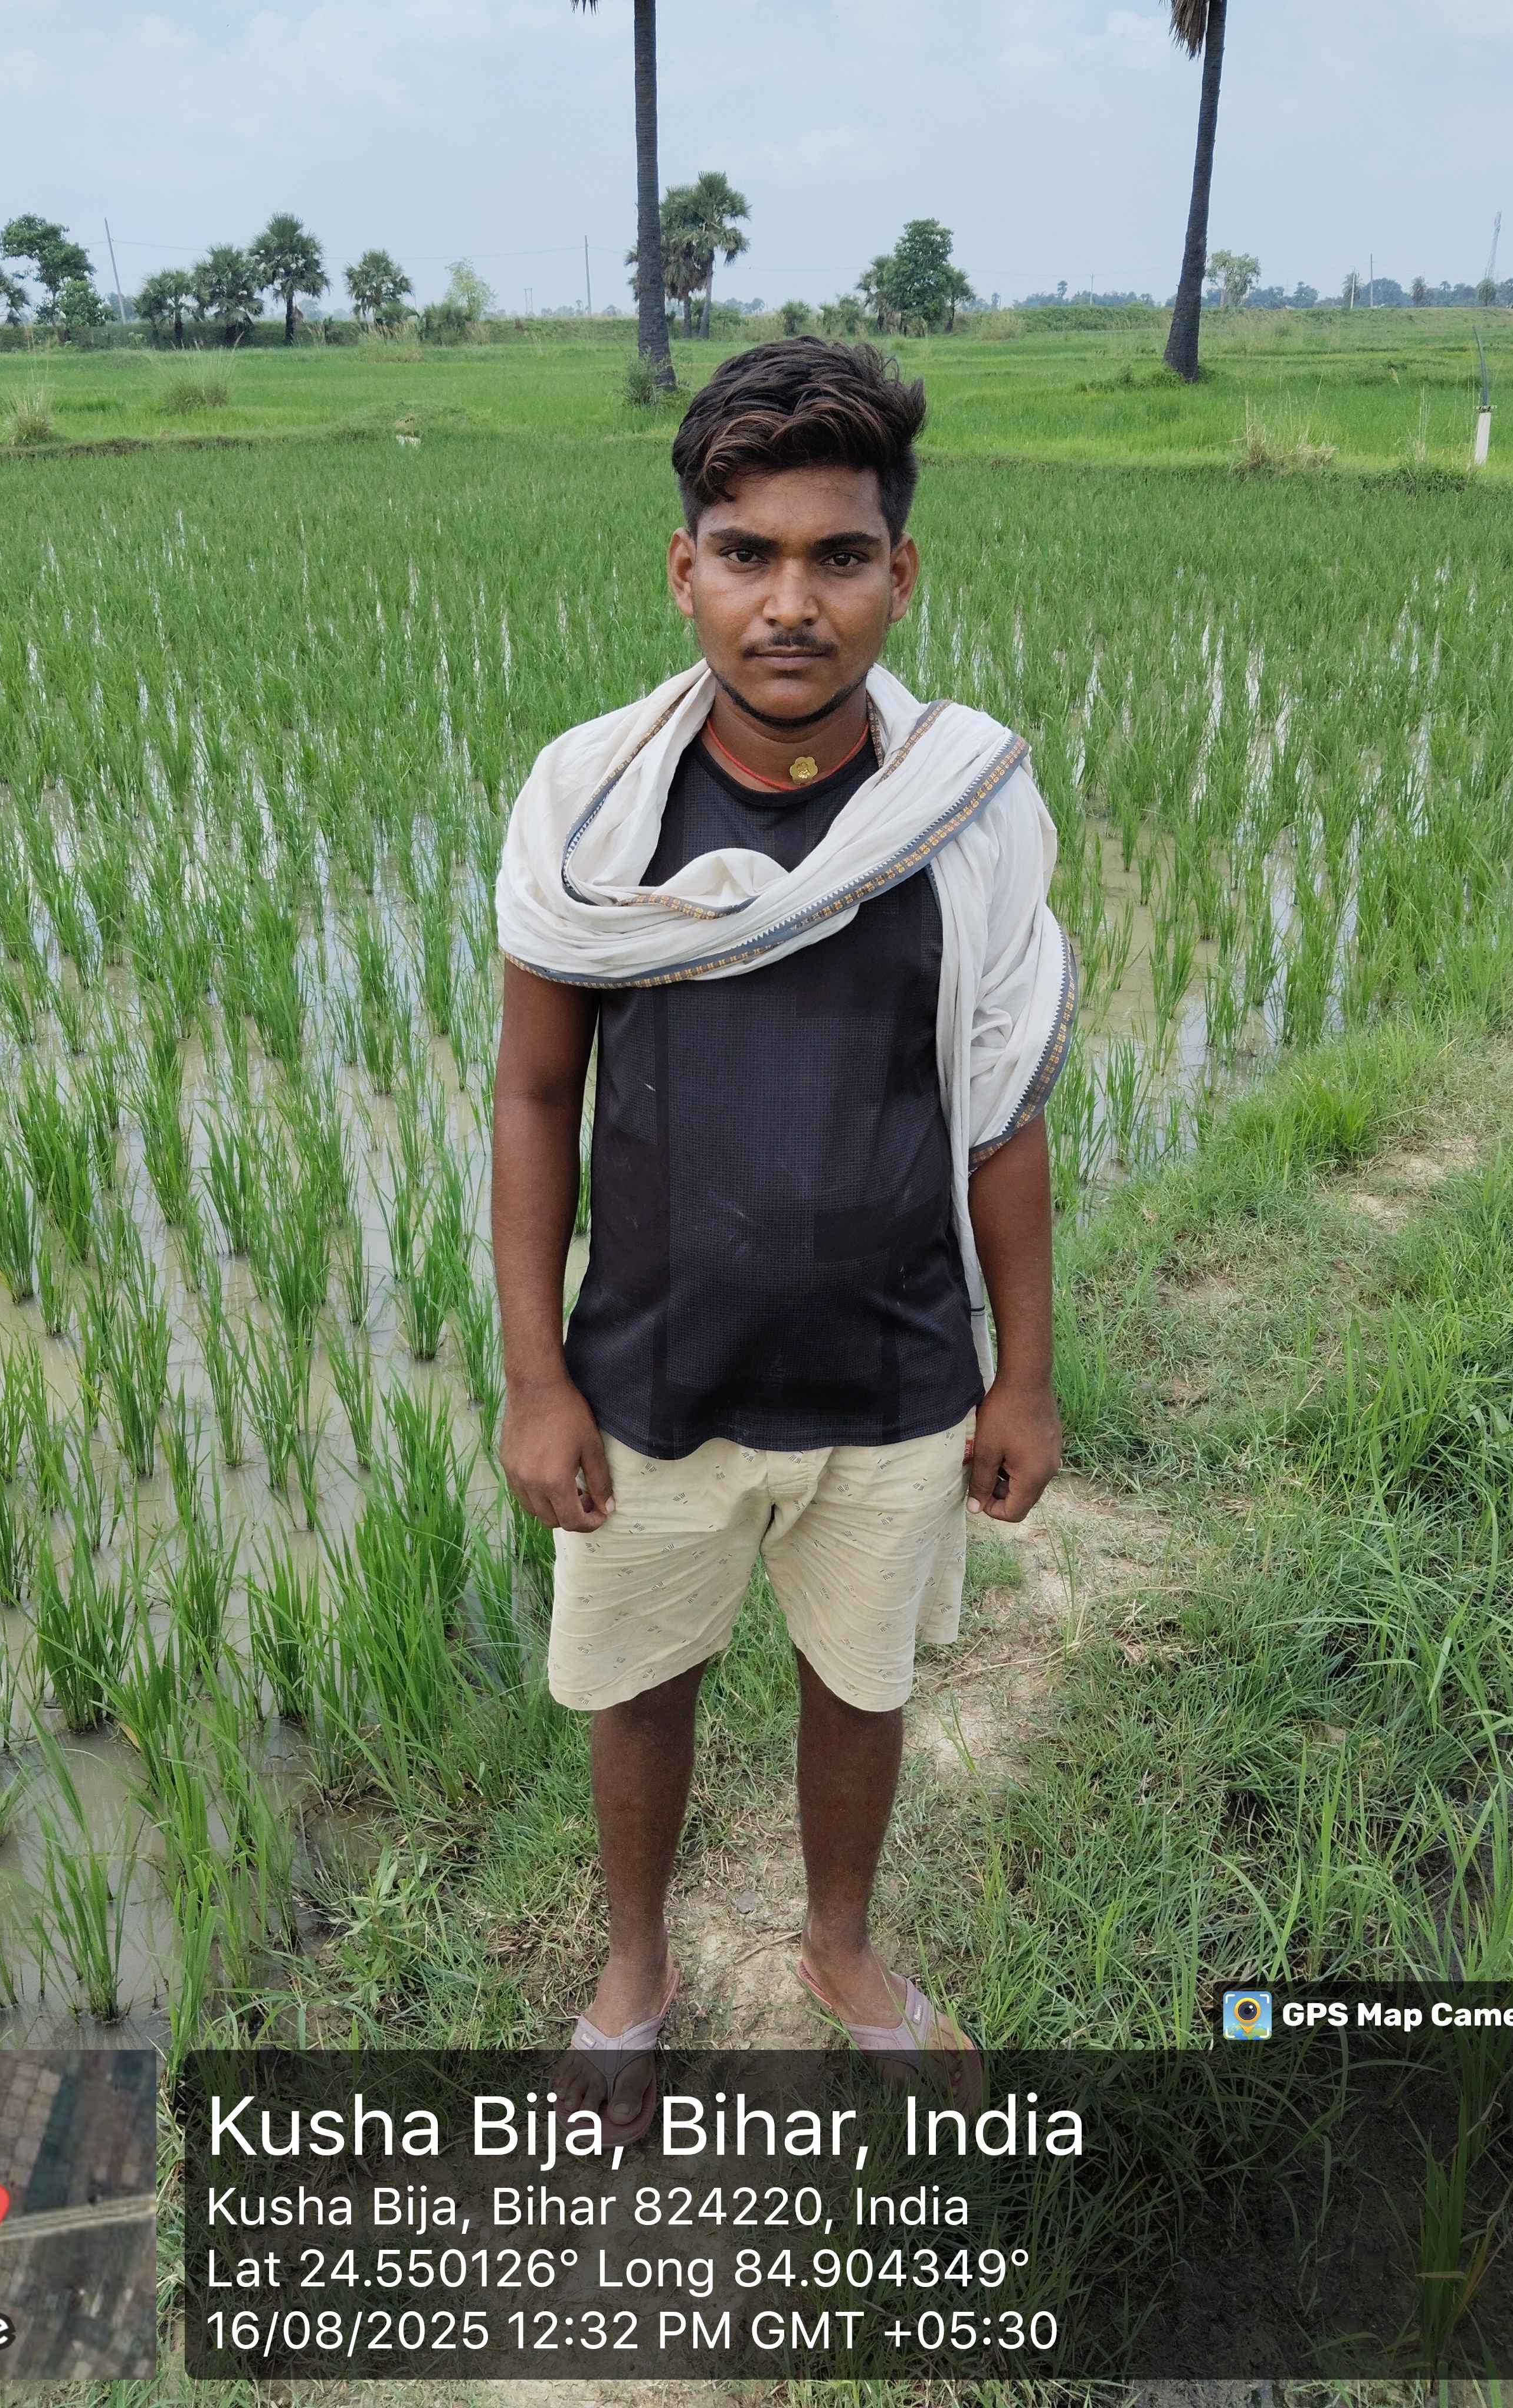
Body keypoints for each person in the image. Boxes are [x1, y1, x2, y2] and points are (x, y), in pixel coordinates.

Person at [492, 338, 1078, 2140]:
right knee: (638, 1685)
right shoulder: (593, 808)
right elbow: (534, 1094)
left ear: (903, 573)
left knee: (860, 1680)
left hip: (894, 1367)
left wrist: (1023, 1376)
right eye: (746, 554)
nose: (790, 602)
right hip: (652, 1368)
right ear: (684, 569)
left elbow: (1002, 1111)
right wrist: (536, 1378)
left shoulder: (962, 811)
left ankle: (838, 1949)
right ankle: (635, 1972)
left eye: (838, 556)